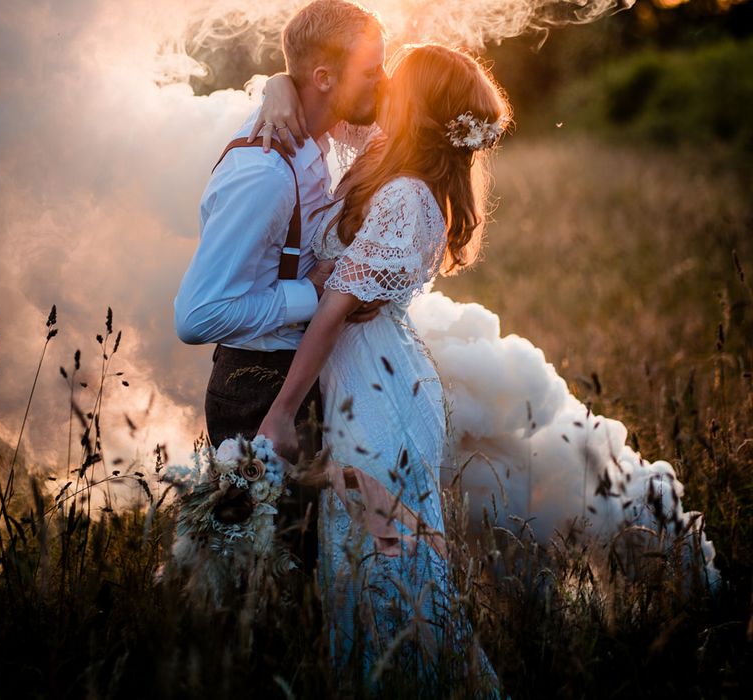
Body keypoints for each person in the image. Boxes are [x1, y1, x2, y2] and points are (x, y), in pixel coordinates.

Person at [256, 44, 511, 695]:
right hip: (376, 380)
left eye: (398, 79)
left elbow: (335, 310)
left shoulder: (404, 196)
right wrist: (276, 89)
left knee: (390, 571)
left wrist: (282, 411)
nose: (384, 83)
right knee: (369, 565)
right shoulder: (393, 162)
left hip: (379, 398)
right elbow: (320, 104)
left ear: (416, 104)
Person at [173, 0, 387, 568]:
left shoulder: (315, 126)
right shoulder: (263, 174)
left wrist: (277, 82)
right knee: (260, 571)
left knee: (298, 565)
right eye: (372, 72)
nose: (383, 84)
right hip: (255, 387)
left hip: (289, 377)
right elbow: (197, 316)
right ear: (324, 78)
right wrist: (309, 293)